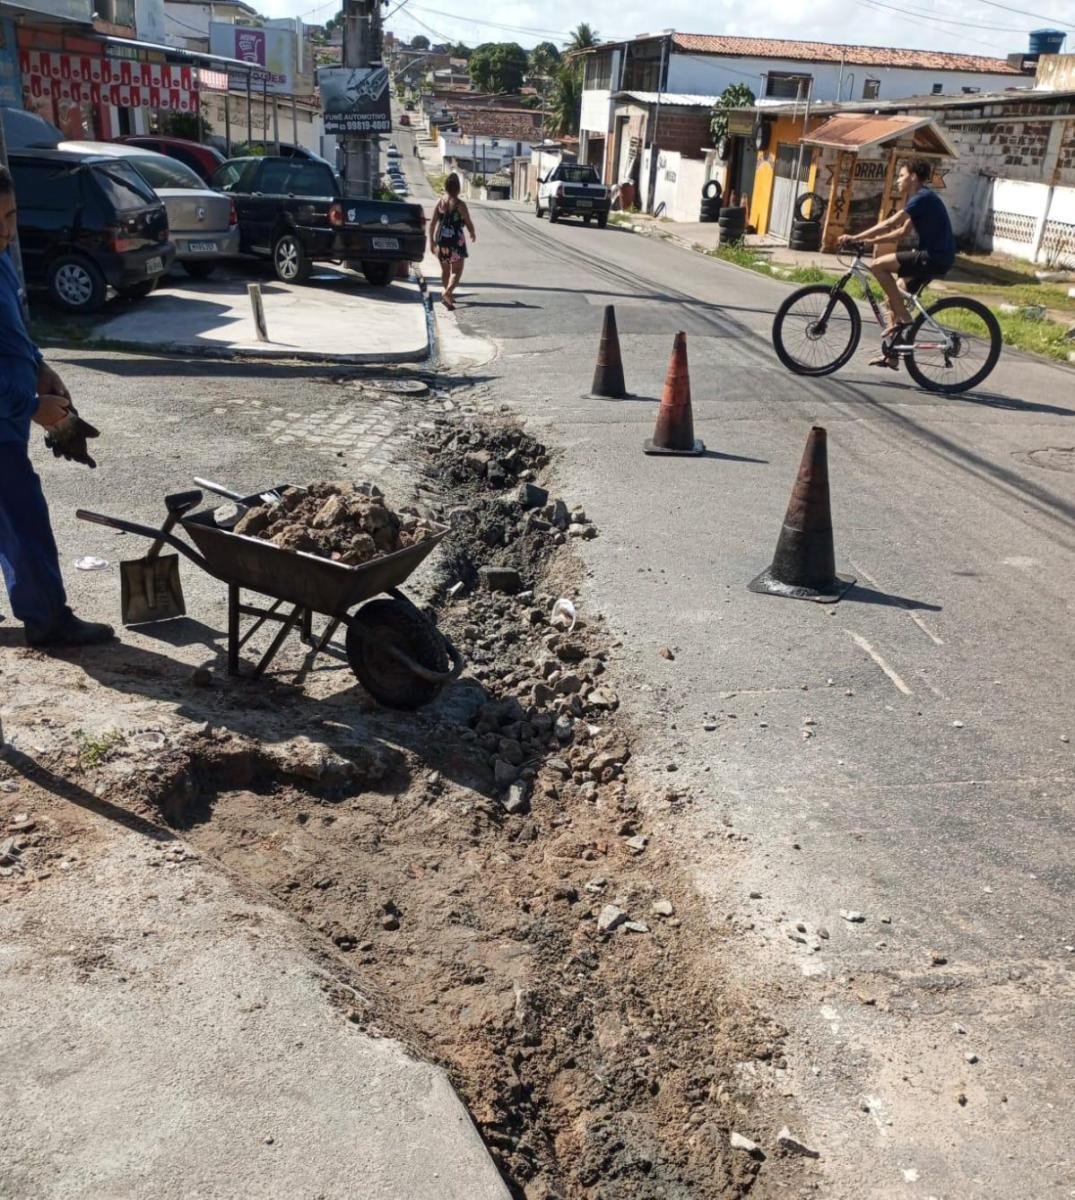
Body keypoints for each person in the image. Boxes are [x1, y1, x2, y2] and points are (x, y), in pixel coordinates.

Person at [0, 165, 112, 647]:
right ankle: (48, 620)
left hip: (11, 409)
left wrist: (41, 367)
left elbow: (11, 330)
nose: (6, 231)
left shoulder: (2, 258)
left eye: (10, 215)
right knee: (24, 518)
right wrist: (30, 404)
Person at [838, 159, 955, 368]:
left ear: (912, 177)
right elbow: (902, 232)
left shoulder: (922, 198)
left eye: (901, 176)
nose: (897, 181)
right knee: (894, 293)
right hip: (934, 256)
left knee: (877, 266)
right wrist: (869, 241)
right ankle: (892, 355)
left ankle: (906, 319)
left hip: (933, 256)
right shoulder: (920, 198)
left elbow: (890, 223)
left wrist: (855, 237)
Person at [428, 172, 476, 311]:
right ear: (458, 188)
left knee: (445, 270)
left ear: (446, 187)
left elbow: (432, 224)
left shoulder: (440, 202)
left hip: (442, 240)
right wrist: (472, 232)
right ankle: (447, 292)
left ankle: (448, 295)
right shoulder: (460, 204)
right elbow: (467, 221)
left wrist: (431, 241)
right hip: (456, 241)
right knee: (457, 271)